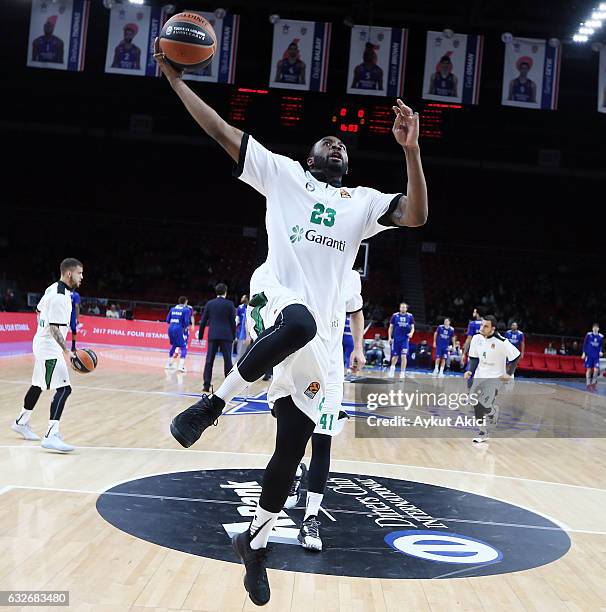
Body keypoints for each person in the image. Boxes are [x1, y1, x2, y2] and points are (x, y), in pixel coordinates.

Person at [154, 39, 427, 606]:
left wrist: (413, 151)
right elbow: (223, 132)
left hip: (319, 348)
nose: (336, 144)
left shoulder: (362, 202)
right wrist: (179, 83)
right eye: (327, 141)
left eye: (343, 145)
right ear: (309, 157)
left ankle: (256, 545)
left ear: (347, 165)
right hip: (283, 307)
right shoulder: (281, 176)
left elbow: (417, 214)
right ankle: (211, 405)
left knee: (292, 452)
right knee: (299, 318)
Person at [289, 269, 366, 551]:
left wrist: (358, 346)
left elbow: (356, 311)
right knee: (290, 441)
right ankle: (296, 472)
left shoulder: (350, 276)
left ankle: (310, 518)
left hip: (331, 375)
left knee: (322, 443)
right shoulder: (302, 263)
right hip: (296, 369)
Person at [11, 258, 84, 452]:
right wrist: (67, 352)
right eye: (80, 273)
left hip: (42, 342)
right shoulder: (61, 296)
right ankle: (51, 435)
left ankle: (21, 422)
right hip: (49, 346)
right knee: (64, 389)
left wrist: (41, 331)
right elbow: (54, 328)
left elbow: (39, 309)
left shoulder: (52, 288)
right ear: (69, 273)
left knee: (38, 385)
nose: (82, 277)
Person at [464, 315, 520, 443]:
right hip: (479, 375)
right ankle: (492, 412)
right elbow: (473, 357)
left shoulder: (501, 341)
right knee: (475, 403)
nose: (482, 328)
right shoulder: (476, 338)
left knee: (481, 405)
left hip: (495, 378)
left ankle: (483, 432)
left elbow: (516, 356)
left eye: (485, 326)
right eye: (481, 325)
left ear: (492, 328)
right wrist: (469, 370)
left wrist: (509, 373)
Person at [199, 284, 236, 392]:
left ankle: (206, 385)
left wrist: (201, 335)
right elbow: (232, 322)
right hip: (226, 335)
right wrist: (234, 335)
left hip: (213, 335)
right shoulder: (230, 304)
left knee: (209, 360)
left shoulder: (210, 303)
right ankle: (228, 386)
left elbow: (203, 321)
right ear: (226, 292)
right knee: (228, 361)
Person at [165, 296, 194, 373]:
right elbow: (186, 322)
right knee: (184, 347)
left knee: (174, 345)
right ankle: (181, 366)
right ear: (186, 302)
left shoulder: (172, 309)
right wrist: (184, 327)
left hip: (170, 328)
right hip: (179, 329)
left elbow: (167, 320)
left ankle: (169, 364)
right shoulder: (186, 310)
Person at [387, 302, 415, 379]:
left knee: (403, 356)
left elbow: (413, 327)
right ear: (399, 308)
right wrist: (389, 337)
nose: (403, 308)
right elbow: (391, 327)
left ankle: (402, 372)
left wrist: (411, 333)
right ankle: (392, 369)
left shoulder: (410, 316)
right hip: (396, 339)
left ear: (406, 308)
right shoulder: (395, 316)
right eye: (401, 307)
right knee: (395, 356)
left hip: (405, 340)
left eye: (404, 307)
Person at [235, 294, 250, 360]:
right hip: (241, 331)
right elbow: (237, 320)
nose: (242, 298)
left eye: (243, 297)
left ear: (247, 298)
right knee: (240, 350)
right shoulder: (240, 307)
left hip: (249, 332)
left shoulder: (250, 308)